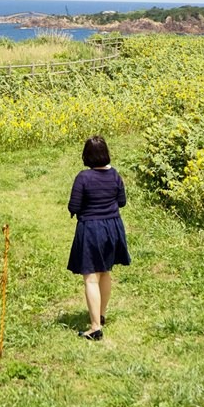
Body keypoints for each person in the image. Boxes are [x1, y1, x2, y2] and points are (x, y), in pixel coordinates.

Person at [67, 135, 130, 341]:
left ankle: (94, 328)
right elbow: (121, 202)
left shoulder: (83, 178)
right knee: (105, 272)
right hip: (113, 226)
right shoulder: (115, 176)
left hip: (91, 228)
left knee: (91, 278)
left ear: (87, 156)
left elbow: (74, 206)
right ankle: (100, 315)